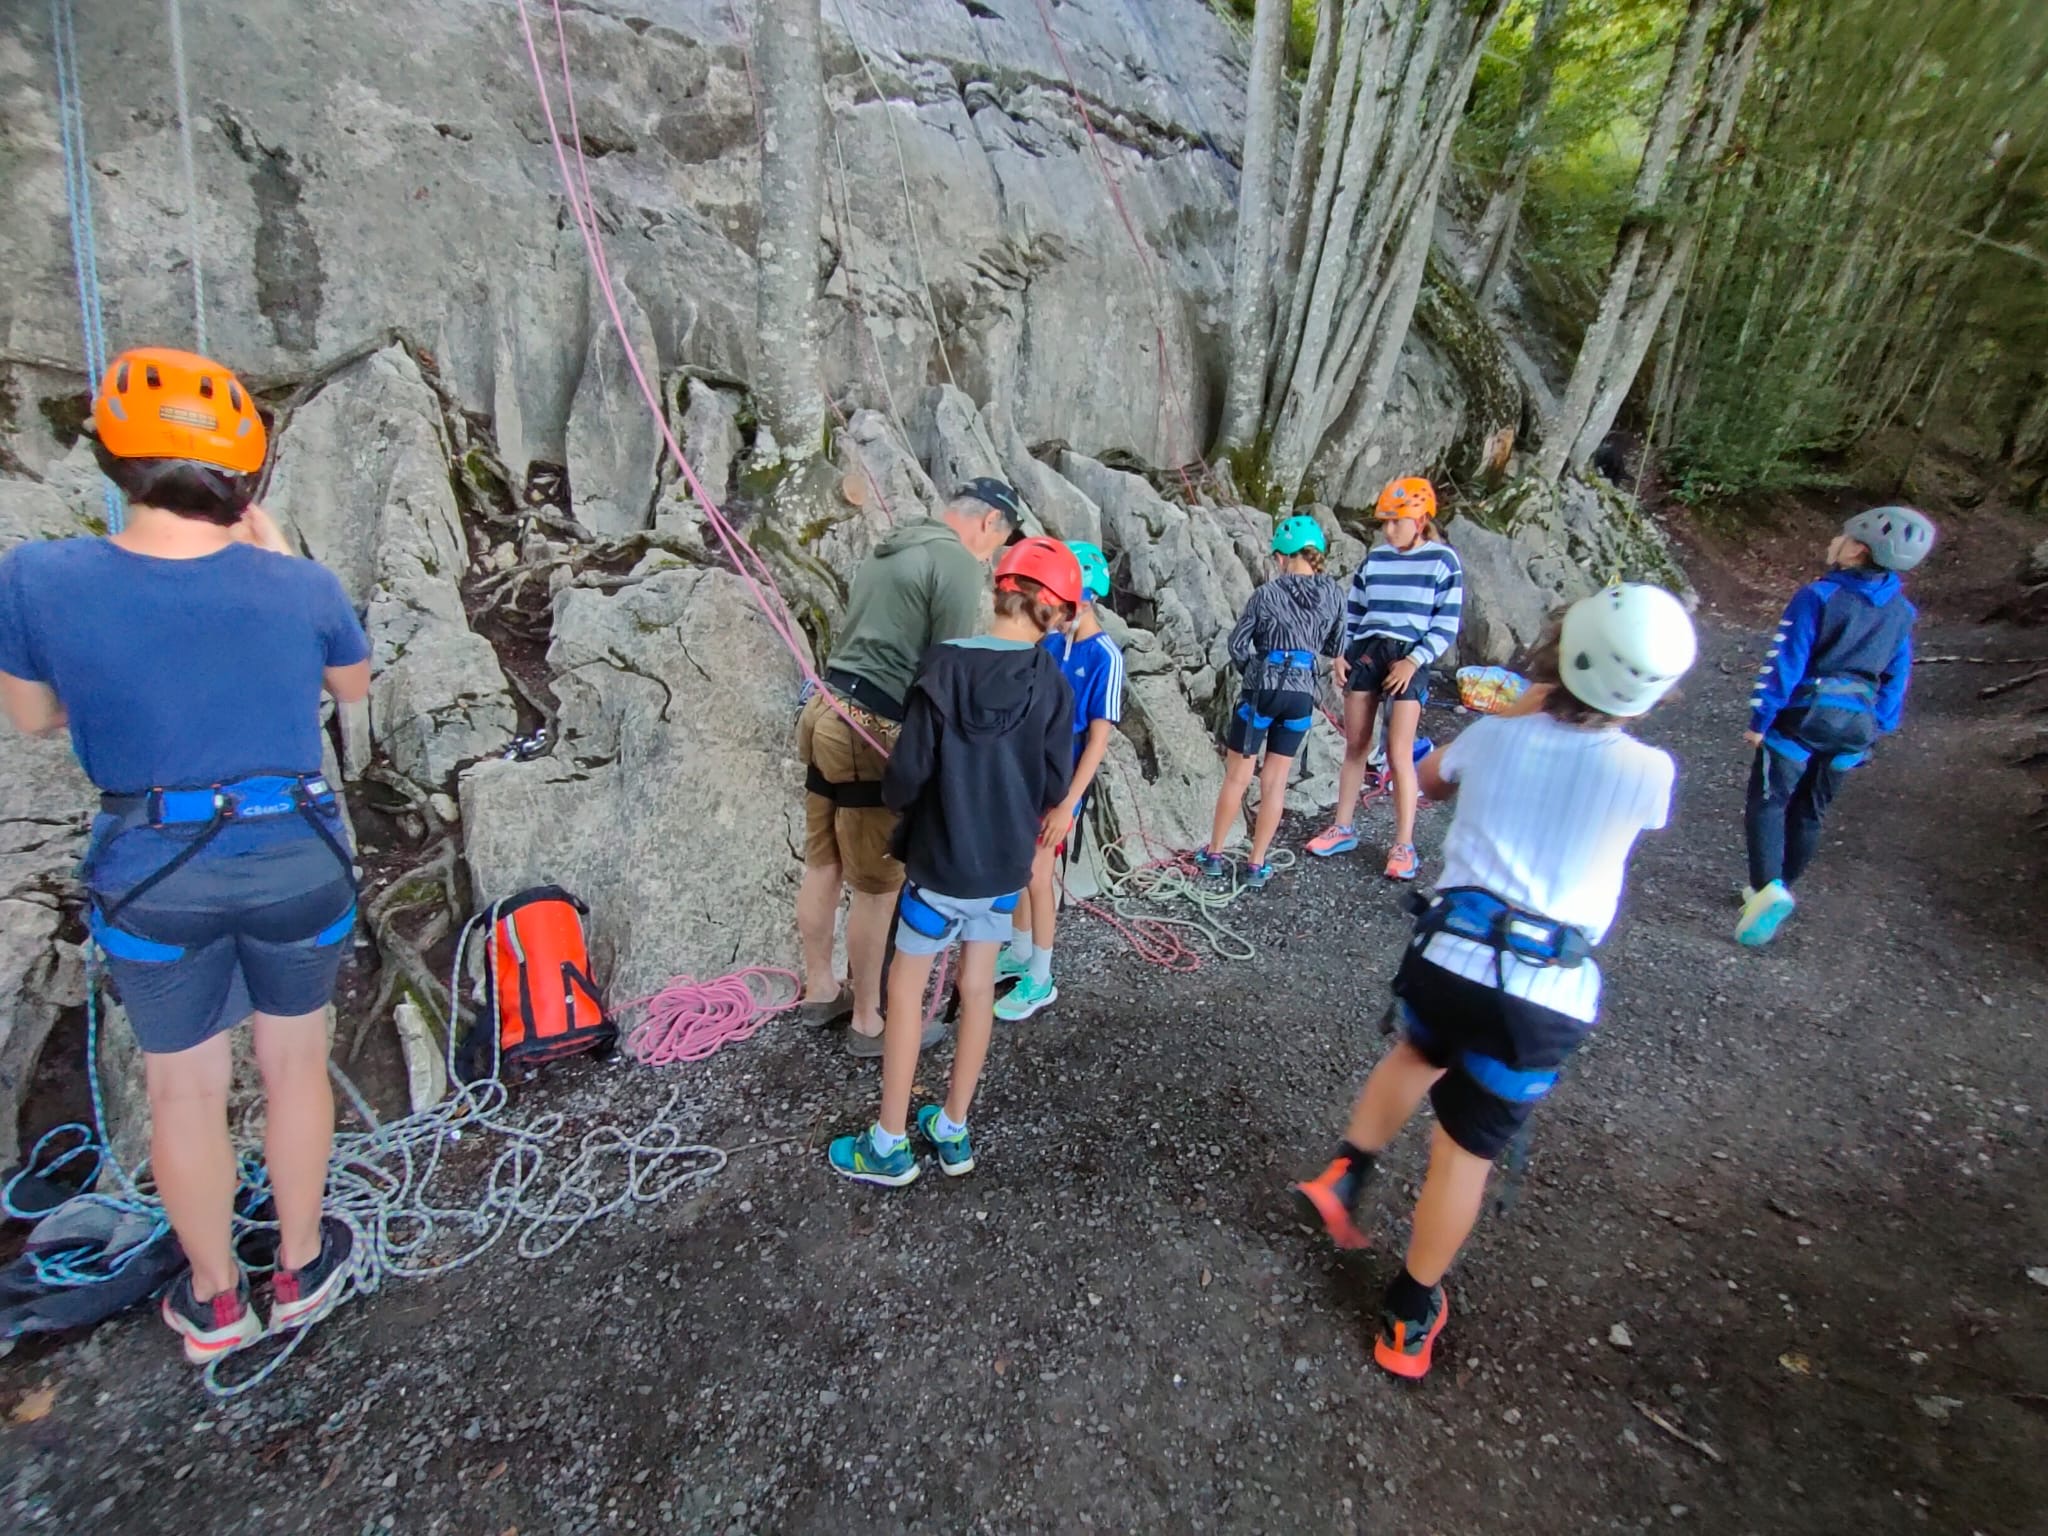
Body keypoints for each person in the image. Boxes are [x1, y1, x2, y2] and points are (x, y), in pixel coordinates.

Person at [0, 347, 371, 1365]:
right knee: (295, 1065)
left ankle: (215, 1301)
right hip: (295, 850)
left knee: (183, 1088)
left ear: (116, 456)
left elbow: (32, 718)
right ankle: (299, 1265)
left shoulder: (38, 576)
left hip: (153, 865)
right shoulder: (299, 584)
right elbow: (352, 687)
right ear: (245, 479)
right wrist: (281, 556)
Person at [1291, 584, 1696, 1381]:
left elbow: (1430, 779)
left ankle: (1347, 1171)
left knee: (1416, 1051)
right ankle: (1408, 1316)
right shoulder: (1649, 771)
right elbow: (1621, 797)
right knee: (1462, 1154)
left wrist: (1521, 708)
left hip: (1449, 958)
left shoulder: (1496, 735)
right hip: (1541, 993)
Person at [827, 539, 1080, 1186]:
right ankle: (954, 1128)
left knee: (906, 994)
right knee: (975, 989)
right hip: (1002, 874)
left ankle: (888, 1144)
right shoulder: (1050, 683)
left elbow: (906, 778)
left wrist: (903, 790)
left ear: (1000, 591)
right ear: (1052, 613)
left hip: (938, 867)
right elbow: (1053, 785)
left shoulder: (941, 668)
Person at [794, 479, 1023, 1056]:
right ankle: (870, 1020)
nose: (994, 555)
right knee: (876, 885)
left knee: (823, 862)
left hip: (825, 708)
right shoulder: (958, 562)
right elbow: (945, 669)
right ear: (989, 522)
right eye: (999, 540)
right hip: (869, 727)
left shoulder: (895, 544)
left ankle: (821, 990)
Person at [1737, 506, 1931, 948]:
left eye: (1842, 536)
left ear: (1858, 550)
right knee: (1810, 812)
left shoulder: (1818, 596)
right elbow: (1897, 675)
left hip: (1802, 717)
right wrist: (1879, 727)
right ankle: (1779, 888)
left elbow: (1787, 660)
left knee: (1768, 803)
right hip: (1857, 726)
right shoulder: (1902, 611)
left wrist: (1760, 718)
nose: (1834, 541)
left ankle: (1767, 890)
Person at [1307, 477, 1464, 882]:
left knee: (1399, 749)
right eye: (1386, 523)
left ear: (1421, 519)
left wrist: (1414, 661)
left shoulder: (1443, 562)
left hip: (1408, 655)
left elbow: (1445, 624)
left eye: (1398, 522)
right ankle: (1342, 826)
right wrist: (1341, 653)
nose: (1390, 530)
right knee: (1356, 744)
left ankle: (1403, 843)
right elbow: (1354, 612)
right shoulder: (1375, 560)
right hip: (1368, 650)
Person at [995, 540, 1124, 1022]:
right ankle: (1020, 949)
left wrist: (1069, 802)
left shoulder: (1105, 655)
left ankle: (1042, 975)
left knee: (1037, 873)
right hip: (1029, 771)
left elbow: (1098, 739)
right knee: (1021, 869)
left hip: (1063, 782)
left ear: (1086, 600)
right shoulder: (1048, 642)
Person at [1191, 517, 1344, 889]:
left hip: (1263, 691)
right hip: (1302, 696)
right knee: (1275, 782)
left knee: (1238, 776)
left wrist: (1254, 671)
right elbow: (1334, 646)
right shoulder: (1334, 594)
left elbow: (1237, 644)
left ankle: (1213, 854)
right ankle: (1256, 864)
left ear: (1281, 558)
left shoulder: (1266, 595)